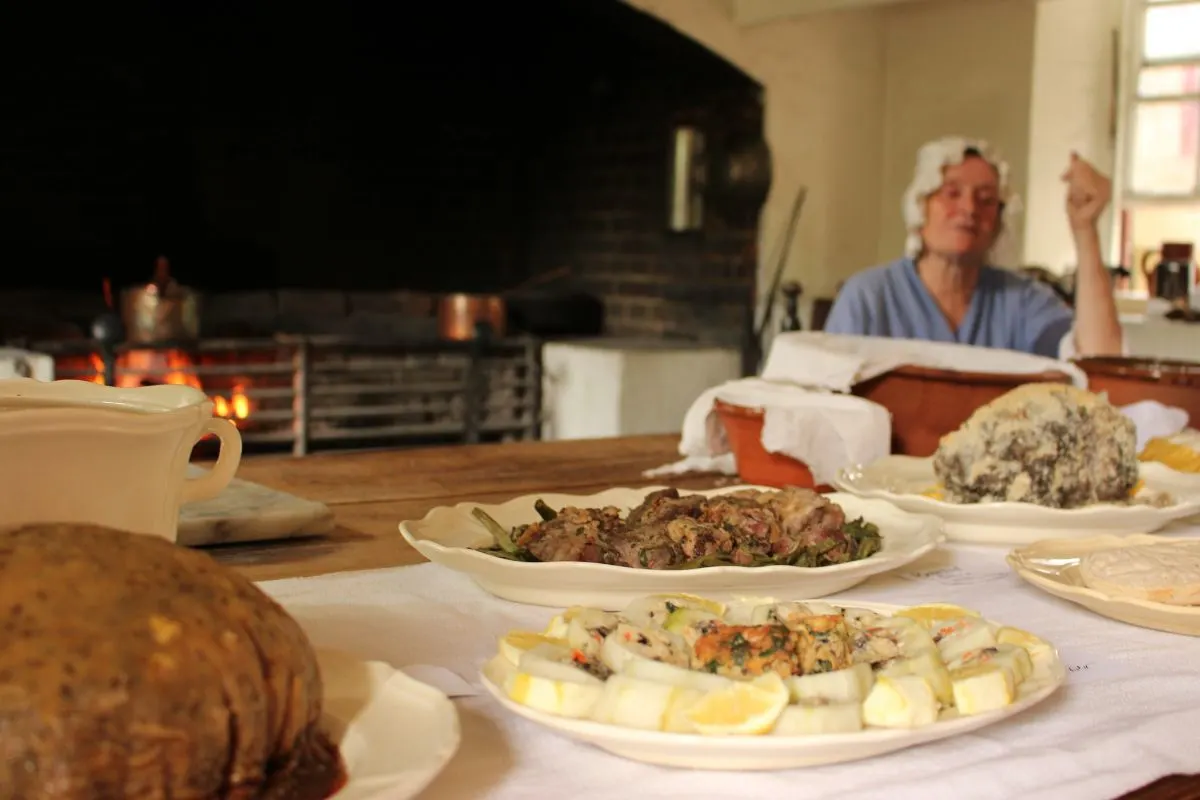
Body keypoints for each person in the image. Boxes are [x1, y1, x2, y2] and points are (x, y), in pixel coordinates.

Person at [823, 136, 1123, 359]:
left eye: (986, 199)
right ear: (920, 207)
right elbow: (825, 401)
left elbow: (1100, 362)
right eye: (951, 193)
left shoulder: (1020, 301)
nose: (969, 208)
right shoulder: (868, 297)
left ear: (999, 221)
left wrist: (1085, 230)